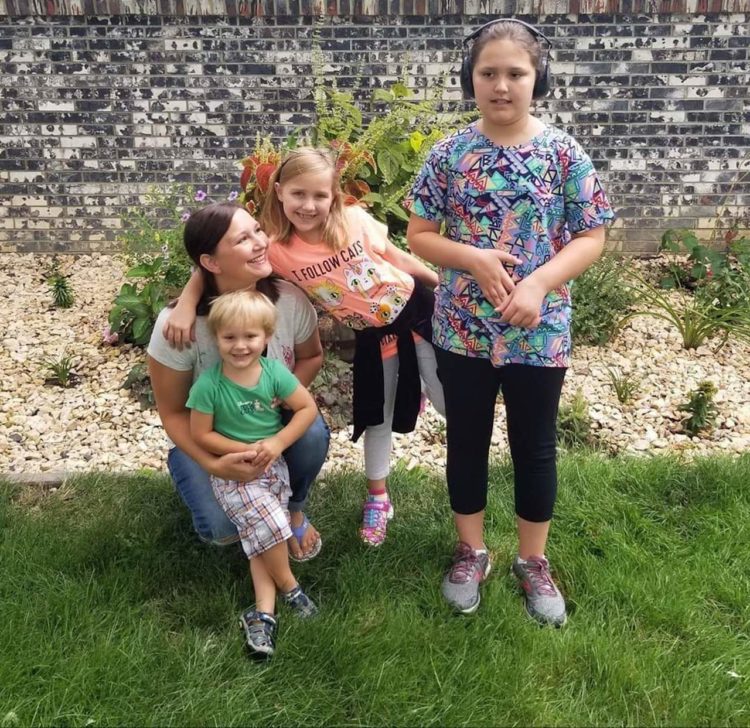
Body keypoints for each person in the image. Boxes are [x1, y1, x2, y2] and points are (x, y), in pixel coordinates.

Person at [405, 18, 614, 625]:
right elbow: (419, 235)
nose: (501, 86)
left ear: (537, 79)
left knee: (535, 445)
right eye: (487, 73)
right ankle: (471, 551)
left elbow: (592, 234)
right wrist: (469, 256)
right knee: (465, 440)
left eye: (515, 73)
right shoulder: (447, 155)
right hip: (463, 327)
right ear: (469, 79)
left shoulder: (564, 153)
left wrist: (542, 282)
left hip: (539, 327)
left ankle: (532, 559)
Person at [169, 147, 445, 548]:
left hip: (420, 315)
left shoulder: (353, 221)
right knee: (376, 416)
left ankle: (455, 454)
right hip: (374, 338)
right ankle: (378, 497)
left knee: (450, 400)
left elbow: (397, 258)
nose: (309, 205)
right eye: (298, 194)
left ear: (335, 195)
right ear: (279, 192)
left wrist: (445, 286)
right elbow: (212, 261)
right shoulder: (277, 249)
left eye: (320, 195)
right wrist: (189, 301)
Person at [147, 202, 329, 568]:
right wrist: (215, 465)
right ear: (211, 262)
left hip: (267, 426)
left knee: (311, 431)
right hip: (207, 437)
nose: (260, 242)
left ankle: (292, 511)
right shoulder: (179, 328)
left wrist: (284, 397)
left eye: (257, 230)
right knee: (221, 530)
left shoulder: (288, 301)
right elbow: (172, 411)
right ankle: (249, 505)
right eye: (243, 239)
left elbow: (311, 356)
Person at [187, 288, 319, 657]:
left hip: (272, 467)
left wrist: (277, 443)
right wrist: (240, 451)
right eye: (230, 337)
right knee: (274, 528)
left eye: (250, 337)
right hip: (235, 473)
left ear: (266, 338)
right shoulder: (209, 385)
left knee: (260, 537)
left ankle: (263, 615)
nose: (240, 346)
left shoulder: (273, 373)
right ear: (216, 339)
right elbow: (201, 434)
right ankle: (292, 589)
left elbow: (306, 409)